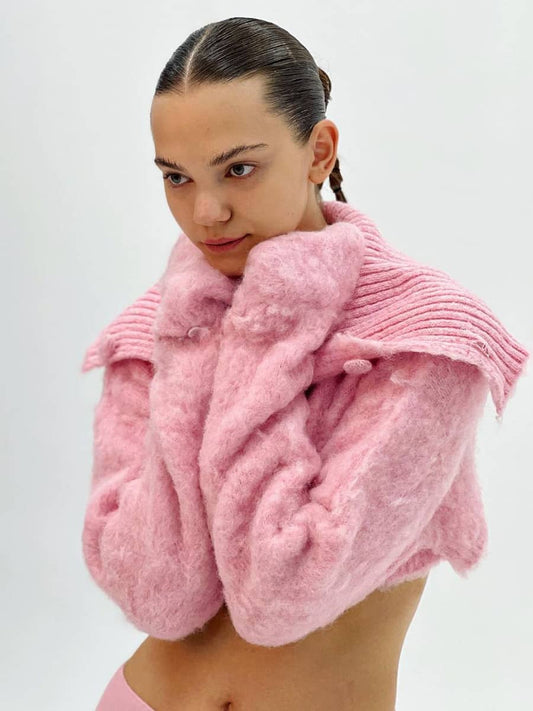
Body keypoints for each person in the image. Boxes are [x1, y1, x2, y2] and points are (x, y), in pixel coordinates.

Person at [86, 16, 528, 711]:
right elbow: (157, 595)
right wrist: (198, 334)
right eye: (177, 177)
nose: (206, 212)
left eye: (238, 169)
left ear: (318, 151)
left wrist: (274, 318)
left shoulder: (424, 339)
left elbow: (280, 594)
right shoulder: (160, 328)